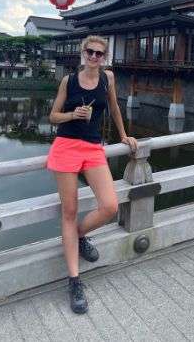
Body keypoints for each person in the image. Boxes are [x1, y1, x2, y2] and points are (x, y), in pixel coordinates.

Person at [47, 35, 138, 314]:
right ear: (82, 53)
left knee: (109, 205)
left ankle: (76, 236)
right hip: (65, 147)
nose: (94, 57)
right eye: (90, 52)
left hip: (93, 148)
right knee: (70, 210)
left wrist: (124, 136)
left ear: (104, 57)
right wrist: (72, 115)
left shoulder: (107, 79)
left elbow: (113, 108)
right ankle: (74, 280)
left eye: (100, 53)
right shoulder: (69, 81)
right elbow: (52, 116)